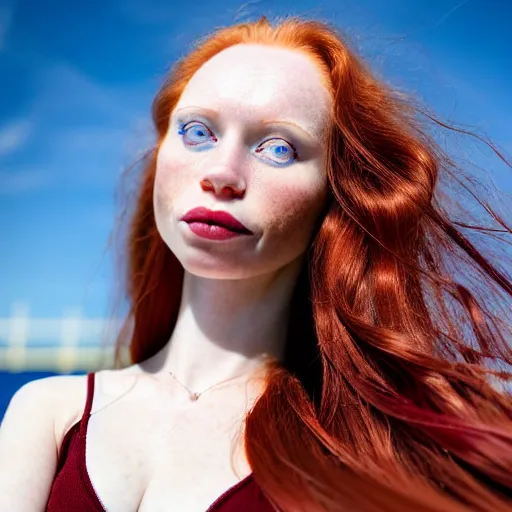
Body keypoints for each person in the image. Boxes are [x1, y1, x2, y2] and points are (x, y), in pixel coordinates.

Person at [0, 14, 511, 512]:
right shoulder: (47, 412)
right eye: (198, 132)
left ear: (333, 195)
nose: (222, 173)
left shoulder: (352, 443)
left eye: (279, 148)